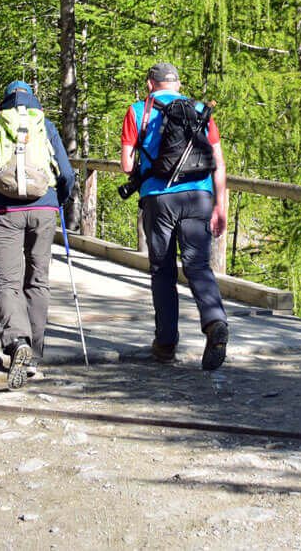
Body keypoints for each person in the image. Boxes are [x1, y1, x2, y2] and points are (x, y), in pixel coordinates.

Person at [0, 80, 77, 390]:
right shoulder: (45, 125)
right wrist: (59, 200)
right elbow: (65, 173)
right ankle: (33, 355)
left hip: (2, 210)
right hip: (43, 210)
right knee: (37, 281)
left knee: (6, 281)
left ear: (5, 101)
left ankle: (17, 344)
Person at [120, 62, 230, 370]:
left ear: (149, 84)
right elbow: (218, 162)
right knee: (197, 265)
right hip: (200, 196)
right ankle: (214, 321)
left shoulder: (138, 110)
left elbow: (127, 166)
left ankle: (166, 344)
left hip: (159, 199)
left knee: (163, 270)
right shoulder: (199, 110)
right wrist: (220, 206)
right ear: (178, 84)